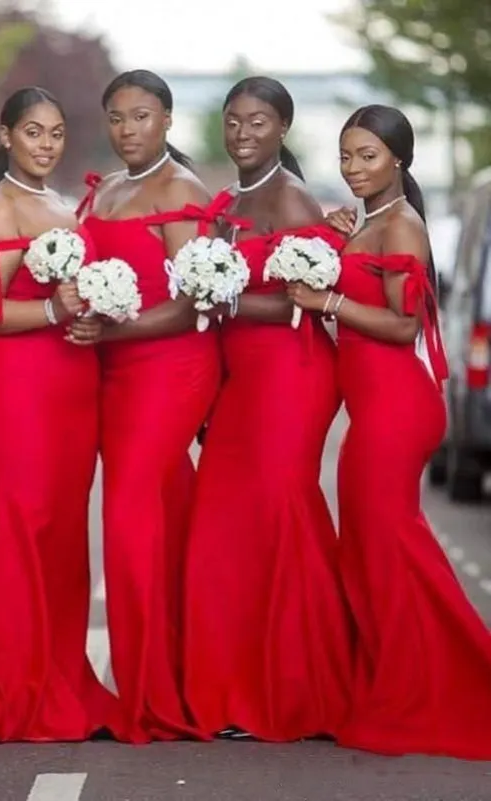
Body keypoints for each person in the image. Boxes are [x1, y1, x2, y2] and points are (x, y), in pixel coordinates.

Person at [292, 104, 491, 760]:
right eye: (346, 155)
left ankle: (446, 684)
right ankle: (395, 680)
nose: (353, 167)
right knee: (372, 550)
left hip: (395, 410)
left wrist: (326, 300)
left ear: (398, 161)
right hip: (372, 408)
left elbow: (401, 327)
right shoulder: (372, 220)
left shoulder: (400, 224)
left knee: (390, 546)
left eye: (367, 156)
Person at [0, 87, 115, 743]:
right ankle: (4, 687)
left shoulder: (62, 206)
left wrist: (91, 315)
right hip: (11, 390)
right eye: (34, 132)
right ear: (7, 136)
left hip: (68, 385)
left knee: (60, 534)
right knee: (17, 524)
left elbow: (72, 296)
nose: (47, 144)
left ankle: (55, 675)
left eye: (57, 132)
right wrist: (52, 312)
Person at [182, 77, 352, 743]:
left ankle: (295, 692)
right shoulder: (228, 200)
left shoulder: (291, 197)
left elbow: (301, 299)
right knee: (223, 526)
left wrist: (218, 298)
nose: (242, 132)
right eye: (232, 121)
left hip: (290, 372)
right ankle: (230, 685)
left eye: (257, 121)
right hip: (236, 378)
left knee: (279, 512)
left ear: (281, 128)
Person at [73, 69, 221, 743]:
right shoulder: (104, 189)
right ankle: (191, 671)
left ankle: (150, 693)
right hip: (108, 372)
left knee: (129, 515)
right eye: (116, 118)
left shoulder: (182, 191)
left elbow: (193, 303)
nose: (127, 129)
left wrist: (114, 329)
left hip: (169, 369)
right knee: (166, 516)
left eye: (140, 116)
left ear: (166, 121)